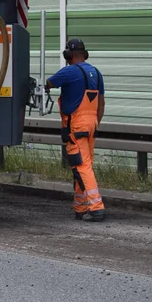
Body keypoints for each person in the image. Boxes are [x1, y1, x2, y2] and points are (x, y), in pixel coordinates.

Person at [45, 37, 106, 222]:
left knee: (81, 166)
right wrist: (95, 123)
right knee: (84, 166)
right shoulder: (96, 72)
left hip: (76, 125)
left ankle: (97, 208)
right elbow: (101, 103)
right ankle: (80, 208)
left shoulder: (69, 72)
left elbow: (48, 84)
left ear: (68, 55)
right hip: (92, 123)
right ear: (85, 54)